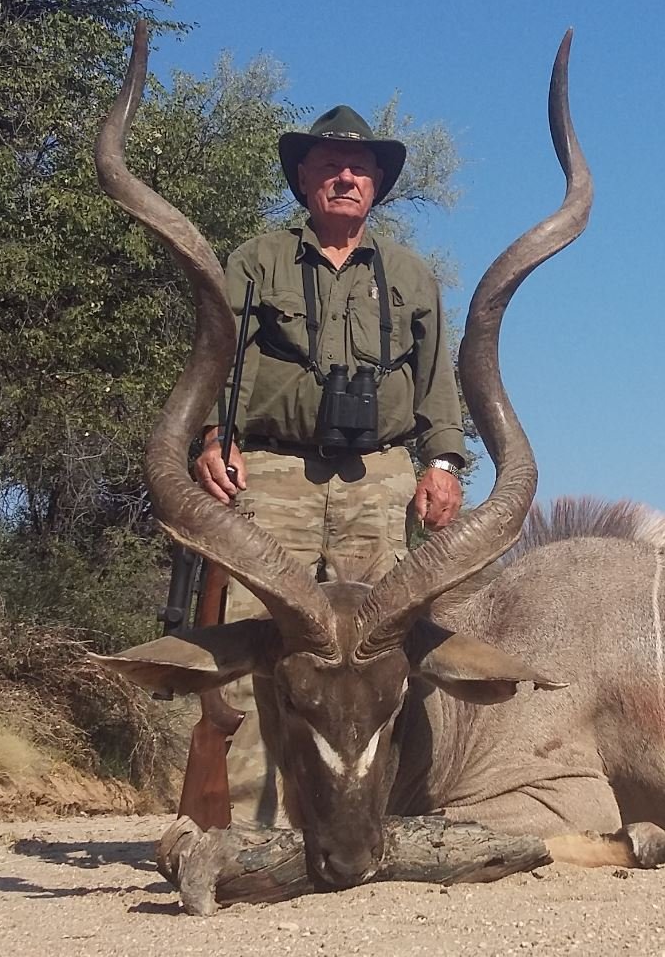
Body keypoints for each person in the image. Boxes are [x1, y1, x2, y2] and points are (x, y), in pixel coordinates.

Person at [191, 105, 469, 827]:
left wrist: (440, 459)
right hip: (271, 469)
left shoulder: (408, 274)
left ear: (376, 184)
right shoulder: (257, 260)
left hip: (378, 475)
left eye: (359, 168)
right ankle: (254, 827)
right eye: (328, 166)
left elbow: (437, 375)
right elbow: (217, 361)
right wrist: (210, 437)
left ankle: (383, 816)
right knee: (264, 648)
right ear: (303, 179)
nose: (345, 177)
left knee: (383, 655)